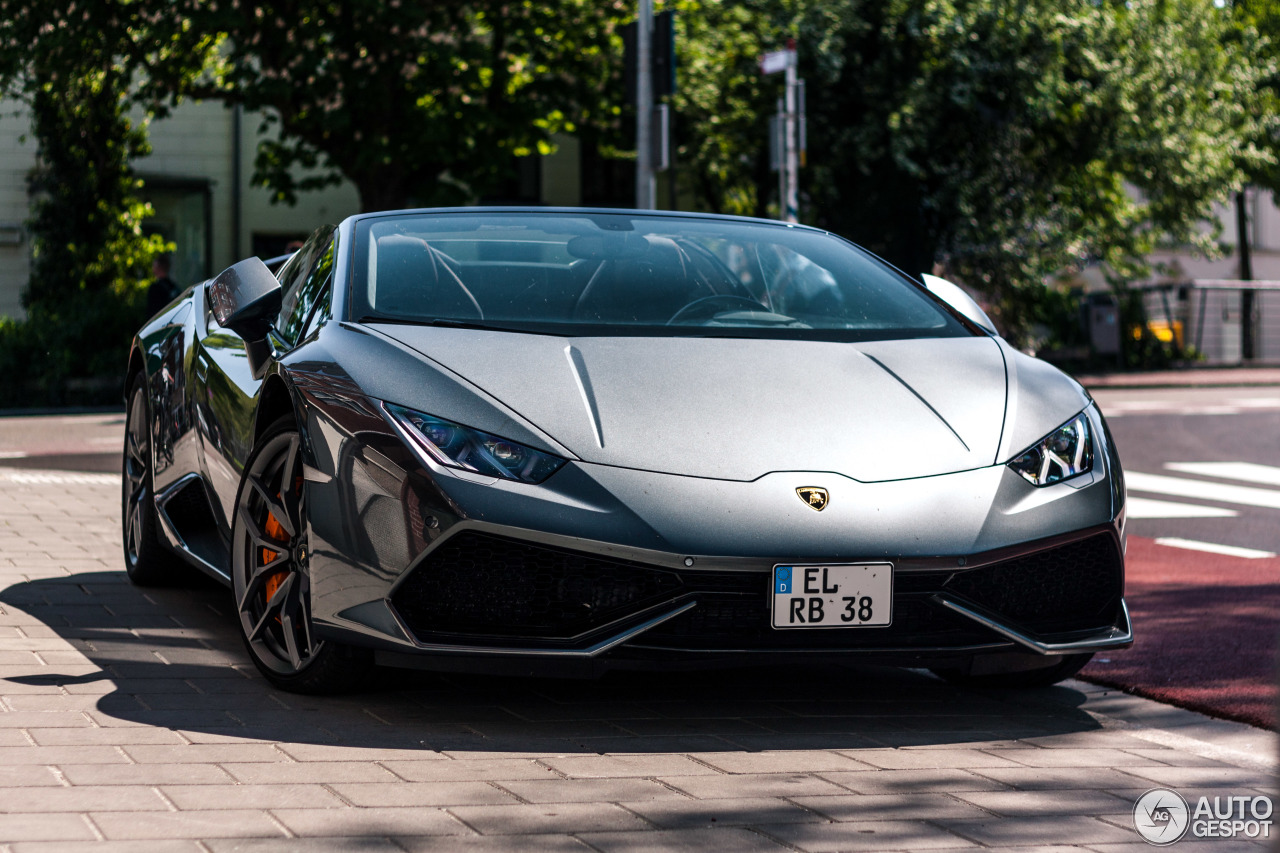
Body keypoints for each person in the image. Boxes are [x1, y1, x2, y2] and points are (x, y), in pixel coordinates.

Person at [146, 253, 180, 318]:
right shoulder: (174, 287)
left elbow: (151, 313)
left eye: (154, 266)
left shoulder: (154, 288)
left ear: (157, 268)